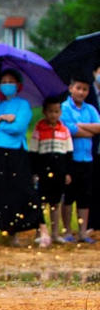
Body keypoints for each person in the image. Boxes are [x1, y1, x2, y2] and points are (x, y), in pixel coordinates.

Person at [0, 70, 46, 245]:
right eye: (4, 81)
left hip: (16, 152)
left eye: (11, 81)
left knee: (24, 189)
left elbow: (18, 128)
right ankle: (8, 232)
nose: (7, 84)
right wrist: (1, 118)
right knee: (1, 192)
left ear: (18, 85)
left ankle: (41, 227)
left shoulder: (23, 105)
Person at [59, 78, 100, 243]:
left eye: (85, 89)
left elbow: (98, 127)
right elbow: (69, 129)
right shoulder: (64, 107)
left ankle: (83, 232)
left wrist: (80, 126)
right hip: (70, 157)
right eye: (78, 88)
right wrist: (87, 129)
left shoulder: (90, 108)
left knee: (84, 195)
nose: (81, 92)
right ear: (71, 88)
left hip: (87, 158)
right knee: (69, 195)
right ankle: (68, 230)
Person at [29, 96, 73, 245]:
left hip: (59, 172)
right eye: (50, 111)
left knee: (55, 203)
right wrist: (34, 172)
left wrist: (67, 172)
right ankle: (40, 231)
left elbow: (69, 153)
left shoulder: (64, 130)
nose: (53, 114)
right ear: (44, 112)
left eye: (56, 111)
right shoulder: (39, 128)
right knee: (40, 202)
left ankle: (55, 233)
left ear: (60, 112)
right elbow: (33, 152)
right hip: (42, 172)